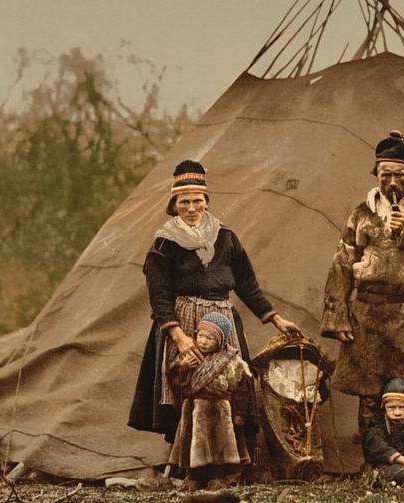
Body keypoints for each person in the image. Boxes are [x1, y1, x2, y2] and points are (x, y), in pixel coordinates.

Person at [129, 160, 301, 448]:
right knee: (187, 386)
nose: (192, 208)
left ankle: (230, 457)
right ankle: (188, 459)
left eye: (198, 201)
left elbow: (247, 284)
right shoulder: (163, 245)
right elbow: (159, 297)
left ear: (206, 202)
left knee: (231, 384)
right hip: (183, 322)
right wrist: (179, 338)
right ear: (174, 205)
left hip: (223, 321)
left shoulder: (226, 238)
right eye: (184, 202)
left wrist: (276, 319)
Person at [320, 130, 404, 434]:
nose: (392, 182)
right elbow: (342, 263)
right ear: (376, 174)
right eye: (385, 175)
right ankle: (376, 461)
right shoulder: (361, 214)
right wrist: (339, 317)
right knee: (370, 392)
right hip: (368, 312)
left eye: (399, 174)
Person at [168, 312, 252, 489]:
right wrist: (182, 368)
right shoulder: (188, 356)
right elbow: (176, 384)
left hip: (220, 410)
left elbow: (242, 389)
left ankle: (218, 477)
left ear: (220, 342)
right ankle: (194, 476)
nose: (203, 341)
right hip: (193, 408)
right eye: (201, 336)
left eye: (210, 338)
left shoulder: (231, 361)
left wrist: (240, 413)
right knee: (192, 444)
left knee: (219, 446)